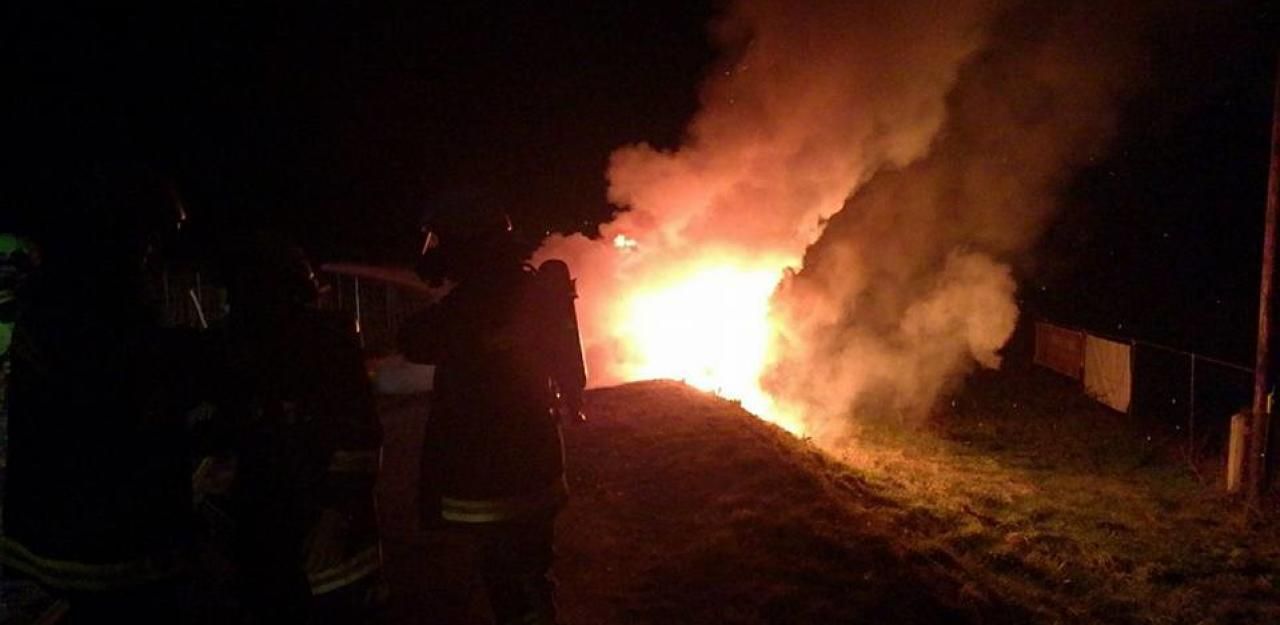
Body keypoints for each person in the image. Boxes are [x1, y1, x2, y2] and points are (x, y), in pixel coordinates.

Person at [0, 166, 205, 624]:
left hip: (79, 544)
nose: (153, 254)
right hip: (101, 554)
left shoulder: (72, 296)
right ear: (120, 233)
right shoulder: (84, 301)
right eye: (151, 238)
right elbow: (122, 391)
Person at [399, 197, 576, 625]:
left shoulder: (469, 305)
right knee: (531, 573)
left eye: (442, 242)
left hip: (489, 477)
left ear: (467, 245)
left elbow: (414, 341)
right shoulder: (529, 290)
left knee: (505, 580)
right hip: (536, 463)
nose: (436, 252)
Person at [217, 234, 384, 624]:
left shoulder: (326, 348)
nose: (235, 311)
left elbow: (360, 437)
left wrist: (334, 516)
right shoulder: (245, 353)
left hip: (326, 536)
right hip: (268, 534)